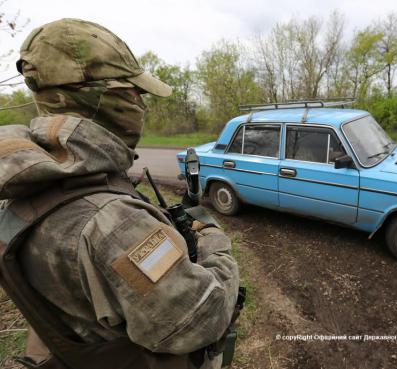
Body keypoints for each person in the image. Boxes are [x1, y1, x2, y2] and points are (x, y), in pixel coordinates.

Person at [0, 18, 240, 369]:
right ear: (100, 96)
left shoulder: (27, 184)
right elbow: (201, 317)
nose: (141, 106)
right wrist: (214, 242)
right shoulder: (111, 222)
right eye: (134, 93)